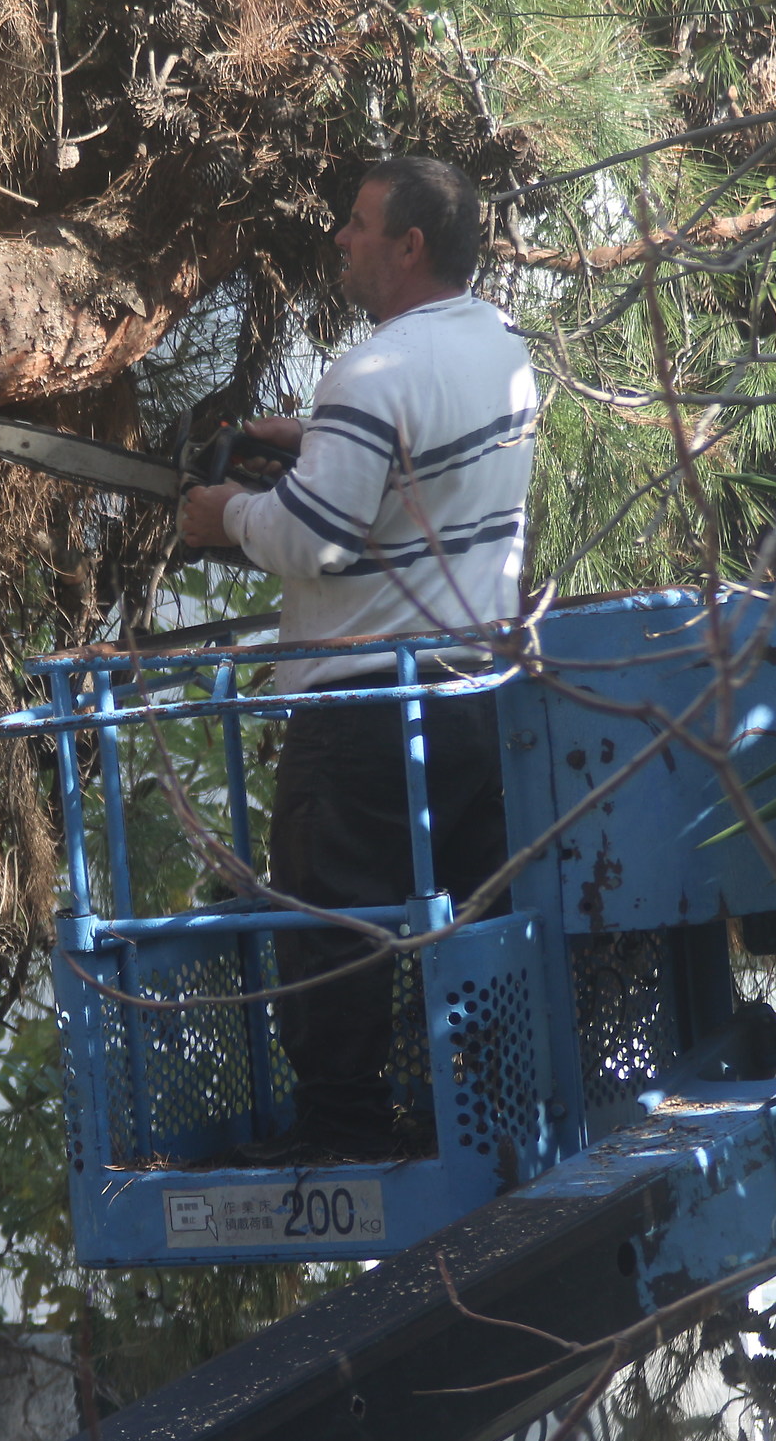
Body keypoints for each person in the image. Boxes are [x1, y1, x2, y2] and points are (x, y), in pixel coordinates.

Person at [179, 155, 538, 1163]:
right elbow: (417, 462)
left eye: (358, 223)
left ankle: (340, 1127)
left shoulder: (373, 369)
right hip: (472, 689)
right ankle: (494, 1106)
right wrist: (315, 437)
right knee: (469, 910)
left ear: (409, 244)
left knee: (332, 912)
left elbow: (313, 540)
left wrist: (226, 516)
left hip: (362, 703)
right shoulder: (495, 345)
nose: (340, 236)